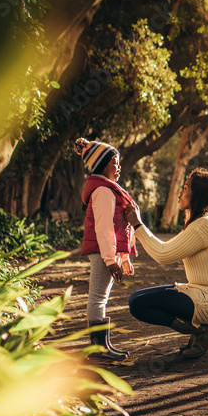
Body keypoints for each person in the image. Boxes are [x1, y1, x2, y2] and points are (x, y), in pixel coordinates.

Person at [124, 168, 208, 359]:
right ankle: (200, 331)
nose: (180, 192)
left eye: (185, 187)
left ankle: (201, 332)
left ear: (197, 194)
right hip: (202, 293)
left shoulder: (204, 225)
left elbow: (162, 254)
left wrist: (137, 224)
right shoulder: (201, 222)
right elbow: (165, 249)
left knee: (139, 304)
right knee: (137, 299)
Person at [75, 137, 136, 361]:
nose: (118, 167)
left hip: (105, 251)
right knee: (98, 298)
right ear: (103, 164)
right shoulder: (102, 191)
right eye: (115, 162)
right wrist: (111, 260)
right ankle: (98, 350)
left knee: (100, 297)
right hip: (102, 251)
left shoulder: (106, 188)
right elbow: (104, 228)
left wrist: (125, 258)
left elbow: (121, 228)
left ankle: (103, 345)